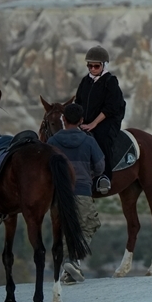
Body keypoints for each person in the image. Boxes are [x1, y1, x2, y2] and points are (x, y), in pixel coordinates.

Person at [46, 102, 105, 284]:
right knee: (90, 224)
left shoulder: (52, 142)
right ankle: (71, 259)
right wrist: (89, 173)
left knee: (65, 228)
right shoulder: (89, 141)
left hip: (58, 194)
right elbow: (100, 167)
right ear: (81, 120)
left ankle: (70, 271)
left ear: (63, 119)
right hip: (82, 190)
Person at [75, 45, 125, 195]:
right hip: (87, 119)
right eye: (89, 66)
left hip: (108, 119)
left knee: (102, 137)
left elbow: (111, 107)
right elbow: (78, 101)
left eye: (96, 66)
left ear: (104, 65)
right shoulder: (85, 81)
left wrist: (93, 123)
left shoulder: (110, 81)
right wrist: (79, 120)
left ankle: (104, 177)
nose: (92, 69)